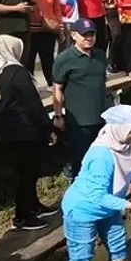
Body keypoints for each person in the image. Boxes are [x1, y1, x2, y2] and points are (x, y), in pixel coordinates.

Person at [61, 104, 131, 261]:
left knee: (118, 244)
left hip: (108, 206)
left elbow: (123, 167)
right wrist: (130, 204)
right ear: (117, 128)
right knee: (82, 256)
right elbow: (96, 195)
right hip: (83, 209)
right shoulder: (101, 155)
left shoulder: (123, 145)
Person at [0, 35, 58, 230]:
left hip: (5, 133)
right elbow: (34, 105)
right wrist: (48, 129)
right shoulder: (17, 73)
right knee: (27, 173)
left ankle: (33, 205)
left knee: (23, 173)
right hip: (25, 131)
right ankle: (23, 217)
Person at [52, 18, 108, 179]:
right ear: (74, 35)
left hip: (101, 117)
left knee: (101, 160)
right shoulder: (65, 59)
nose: (88, 38)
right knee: (81, 161)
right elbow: (57, 89)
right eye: (84, 35)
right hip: (79, 121)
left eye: (91, 34)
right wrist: (58, 115)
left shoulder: (100, 56)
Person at [24, 0, 62, 91]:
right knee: (29, 58)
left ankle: (51, 83)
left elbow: (57, 10)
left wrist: (60, 27)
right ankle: (29, 85)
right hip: (30, 29)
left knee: (48, 57)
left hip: (48, 28)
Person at [101, 0, 124, 73]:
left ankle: (114, 62)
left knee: (117, 37)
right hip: (109, 11)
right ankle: (108, 63)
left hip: (118, 11)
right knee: (114, 36)